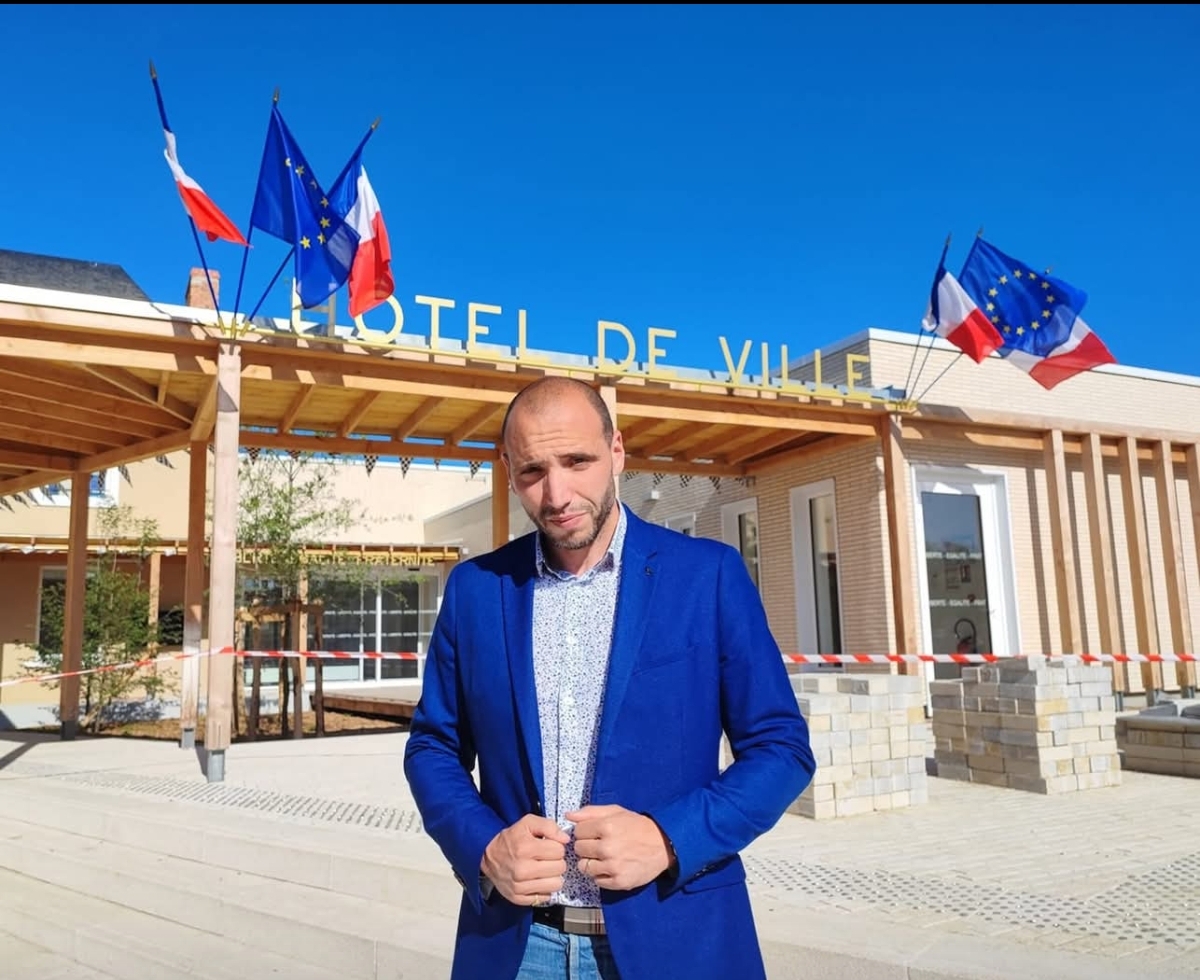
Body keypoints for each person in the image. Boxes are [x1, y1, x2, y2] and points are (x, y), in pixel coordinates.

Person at [403, 376, 815, 980]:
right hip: (517, 948)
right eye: (532, 472)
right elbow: (433, 747)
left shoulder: (708, 577)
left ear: (617, 452)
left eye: (577, 461)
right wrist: (485, 847)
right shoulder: (475, 590)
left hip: (676, 940)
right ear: (508, 470)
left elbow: (781, 749)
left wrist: (668, 838)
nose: (557, 493)